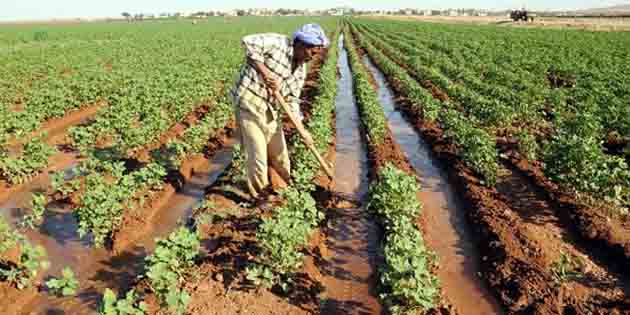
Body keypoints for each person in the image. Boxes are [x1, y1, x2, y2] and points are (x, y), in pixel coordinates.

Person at [230, 24, 329, 199]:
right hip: (249, 103)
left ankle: (284, 190)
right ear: (301, 44)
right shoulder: (277, 43)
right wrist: (265, 71)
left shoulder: (300, 70)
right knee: (258, 155)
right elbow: (248, 42)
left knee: (280, 153)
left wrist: (302, 129)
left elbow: (291, 101)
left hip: (271, 108)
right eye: (312, 52)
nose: (313, 57)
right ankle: (261, 197)